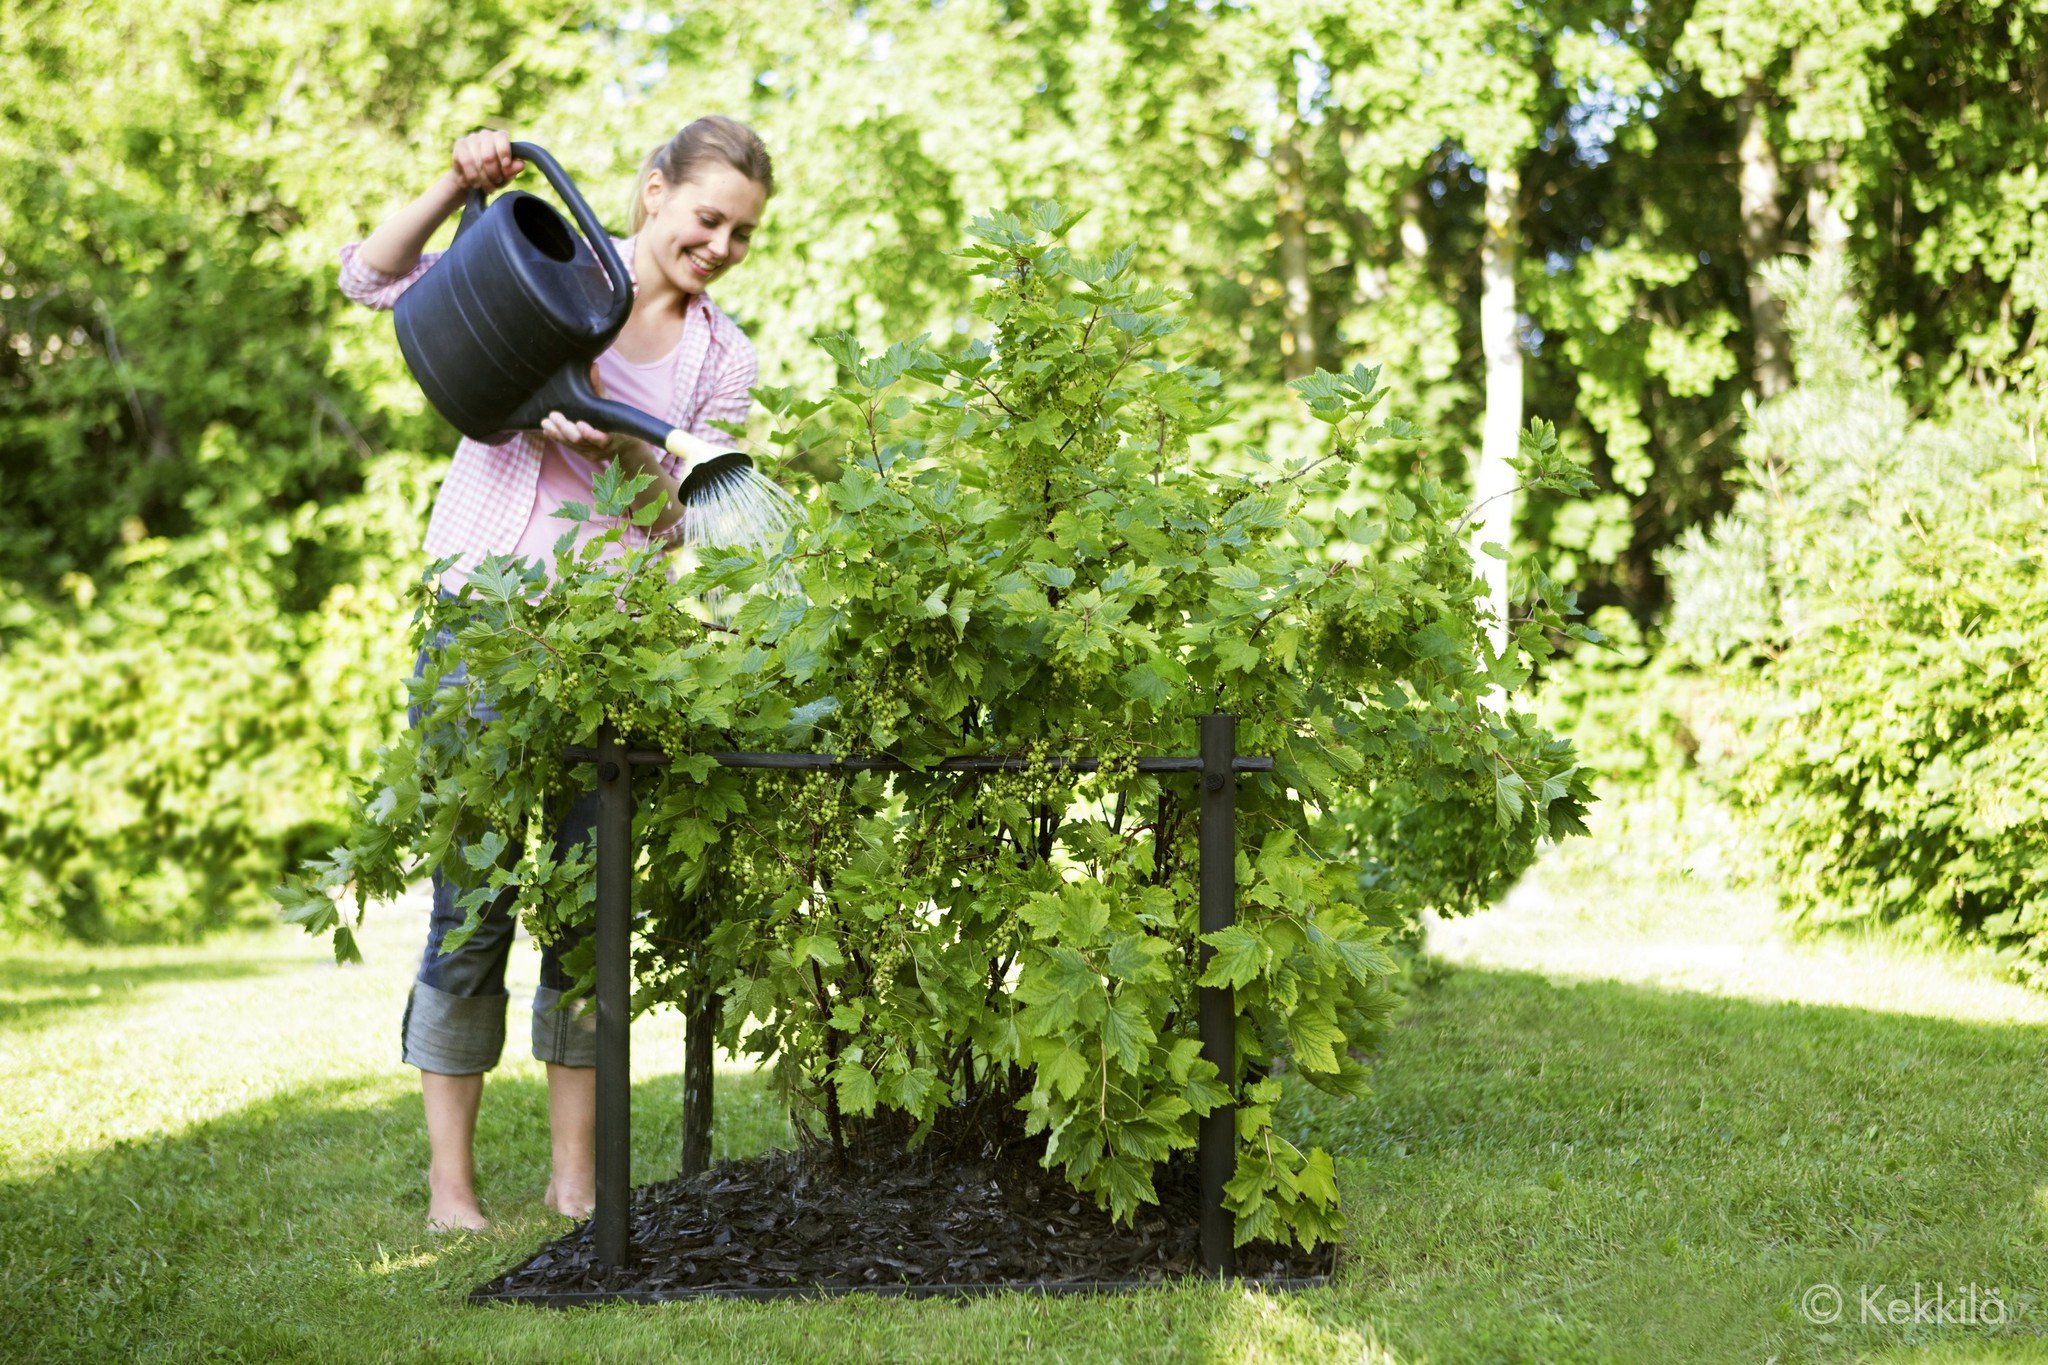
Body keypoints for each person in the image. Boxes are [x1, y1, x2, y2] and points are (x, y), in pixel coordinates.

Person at [336, 118, 773, 1231]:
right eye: (707, 218)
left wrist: (619, 442)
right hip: (479, 628)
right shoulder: (547, 265)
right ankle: (451, 1190)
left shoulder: (723, 359)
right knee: (472, 900)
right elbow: (369, 279)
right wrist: (457, 182)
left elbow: (679, 522)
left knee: (585, 913)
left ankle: (573, 1181)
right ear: (653, 190)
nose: (720, 247)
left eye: (742, 233)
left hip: (605, 646)